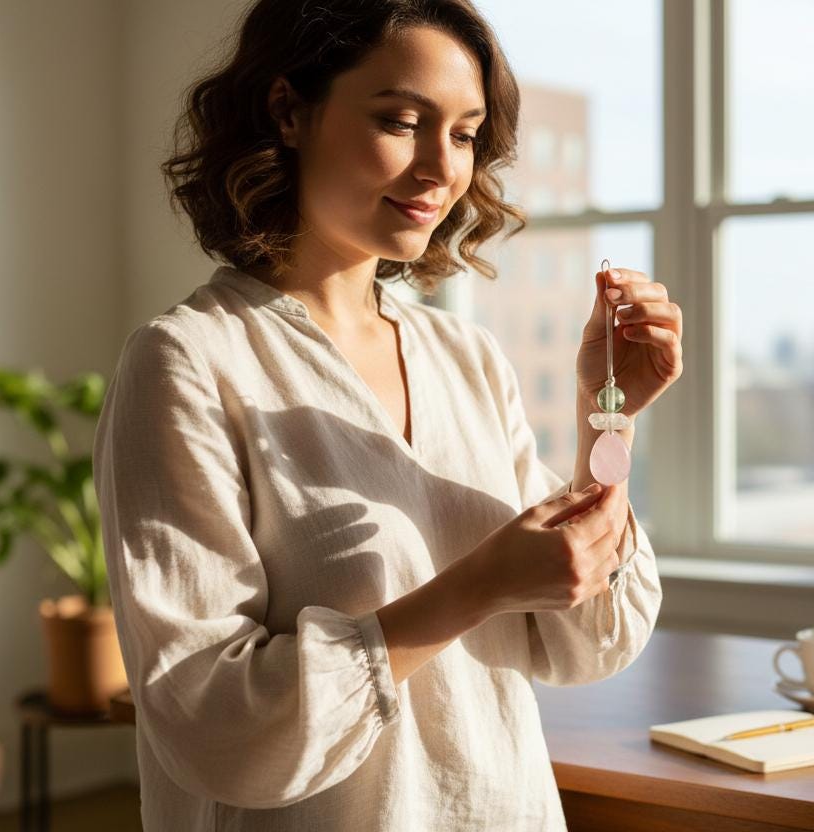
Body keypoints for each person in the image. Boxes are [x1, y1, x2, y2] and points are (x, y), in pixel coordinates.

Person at [91, 1, 682, 829]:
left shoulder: (465, 358)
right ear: (289, 111)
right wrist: (475, 587)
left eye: (467, 134)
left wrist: (603, 420)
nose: (443, 168)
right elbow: (211, 720)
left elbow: (582, 643)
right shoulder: (189, 363)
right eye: (402, 121)